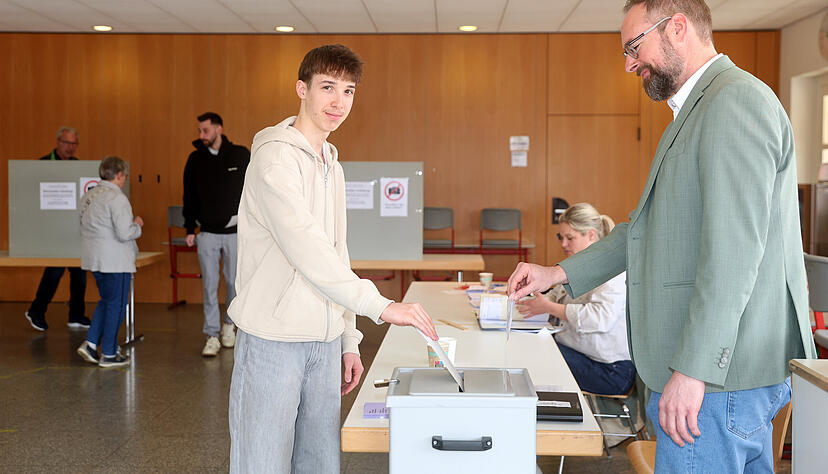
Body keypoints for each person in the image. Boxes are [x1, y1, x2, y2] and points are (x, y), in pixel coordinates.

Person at [508, 1, 816, 471]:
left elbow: (734, 257)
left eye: (635, 46)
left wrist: (693, 369)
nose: (630, 63)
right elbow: (645, 228)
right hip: (719, 373)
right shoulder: (697, 110)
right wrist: (557, 271)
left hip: (718, 375)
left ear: (677, 29)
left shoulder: (732, 104)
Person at [228, 44, 438, 474]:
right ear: (301, 89)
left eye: (348, 91)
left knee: (319, 463)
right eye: (328, 87)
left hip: (323, 342)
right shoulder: (275, 157)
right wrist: (381, 306)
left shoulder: (332, 164)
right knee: (261, 462)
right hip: (274, 338)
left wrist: (347, 338)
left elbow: (337, 254)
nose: (339, 102)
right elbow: (305, 246)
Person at [517, 203, 633, 396]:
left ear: (591, 235)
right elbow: (556, 297)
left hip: (610, 371)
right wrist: (531, 293)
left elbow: (600, 319)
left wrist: (549, 307)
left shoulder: (613, 273)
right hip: (580, 353)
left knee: (534, 357)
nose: (563, 244)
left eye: (570, 238)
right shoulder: (578, 267)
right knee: (528, 345)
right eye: (561, 237)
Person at [182, 112, 250, 356]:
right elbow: (188, 195)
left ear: (219, 129)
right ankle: (211, 334)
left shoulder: (240, 155)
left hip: (235, 232)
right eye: (200, 131)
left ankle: (229, 326)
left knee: (234, 282)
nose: (201, 136)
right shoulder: (195, 159)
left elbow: (253, 191)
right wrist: (190, 228)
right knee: (210, 285)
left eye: (206, 131)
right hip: (207, 233)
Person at [75, 156, 143, 368]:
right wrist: (137, 225)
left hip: (94, 259)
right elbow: (124, 233)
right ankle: (110, 353)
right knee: (116, 305)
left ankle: (91, 343)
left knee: (106, 301)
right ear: (120, 175)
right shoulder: (117, 198)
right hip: (115, 261)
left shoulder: (88, 196)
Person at [25, 126, 90, 331]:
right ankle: (36, 310)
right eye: (66, 143)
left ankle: (76, 315)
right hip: (51, 230)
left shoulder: (78, 166)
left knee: (79, 271)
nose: (70, 147)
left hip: (72, 229)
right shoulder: (43, 164)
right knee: (55, 270)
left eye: (73, 144)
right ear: (57, 142)